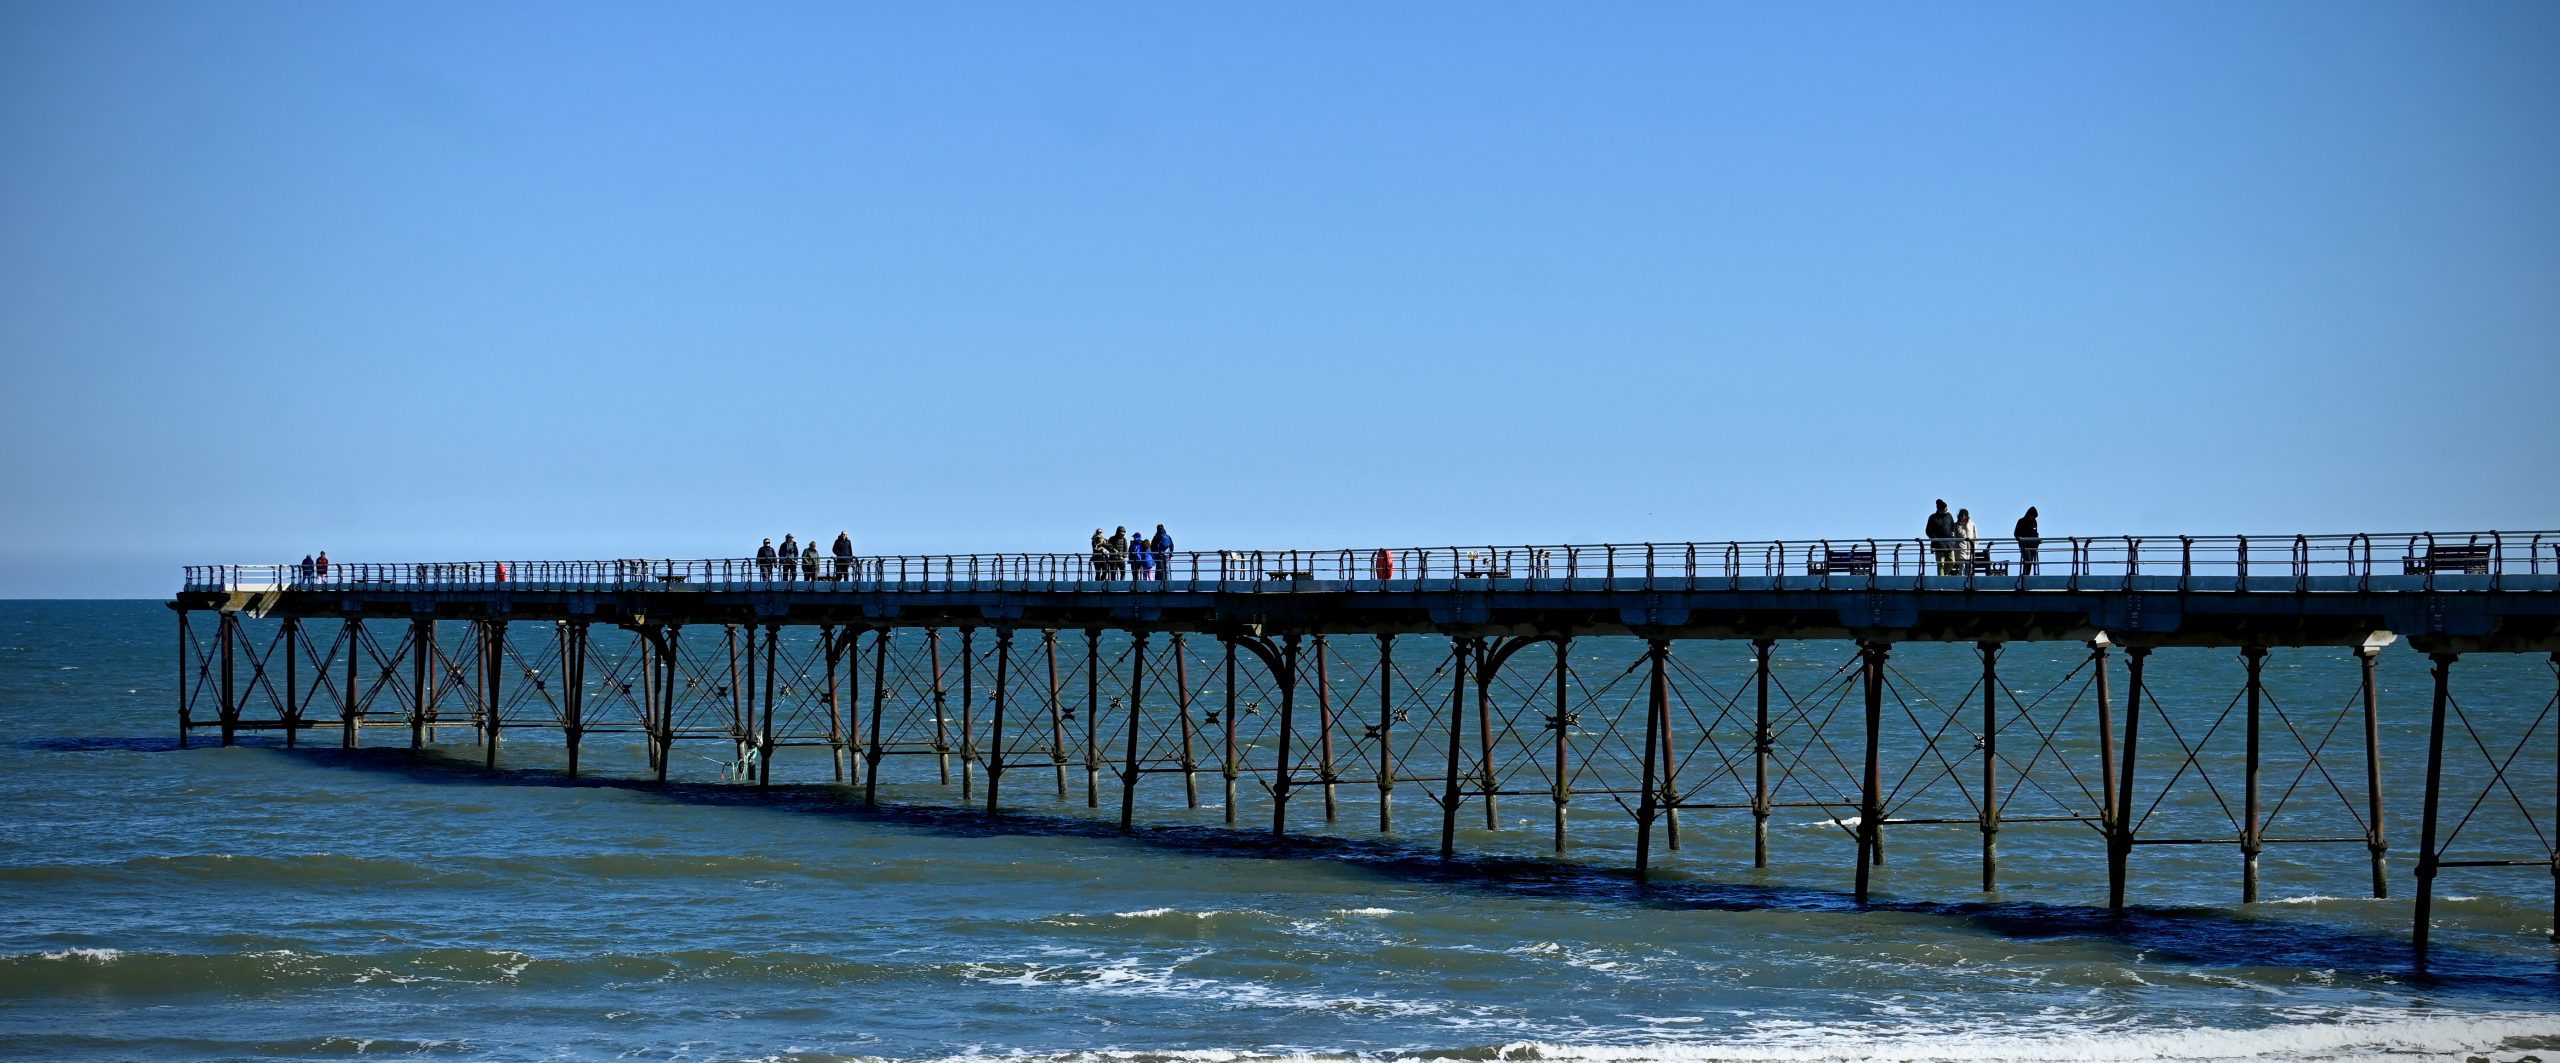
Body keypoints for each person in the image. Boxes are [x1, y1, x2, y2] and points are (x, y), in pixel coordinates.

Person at [1925, 500, 1958, 575]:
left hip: (1949, 544)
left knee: (1952, 561)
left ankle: (1944, 576)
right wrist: (1935, 539)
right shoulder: (1933, 518)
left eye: (1946, 508)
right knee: (1941, 564)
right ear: (1940, 509)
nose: (1946, 509)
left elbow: (1953, 527)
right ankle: (1941, 582)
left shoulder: (1949, 515)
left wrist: (1953, 534)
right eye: (1944, 508)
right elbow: (1928, 531)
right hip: (1938, 545)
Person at [2014, 506, 2042, 577]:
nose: (2032, 518)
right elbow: (2016, 533)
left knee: (2030, 562)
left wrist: (2037, 540)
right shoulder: (2021, 521)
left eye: (2033, 517)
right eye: (2031, 516)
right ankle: (2025, 576)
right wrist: (2020, 539)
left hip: (2033, 545)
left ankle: (2026, 575)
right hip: (2025, 545)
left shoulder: (2034, 522)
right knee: (2028, 561)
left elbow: (2035, 533)